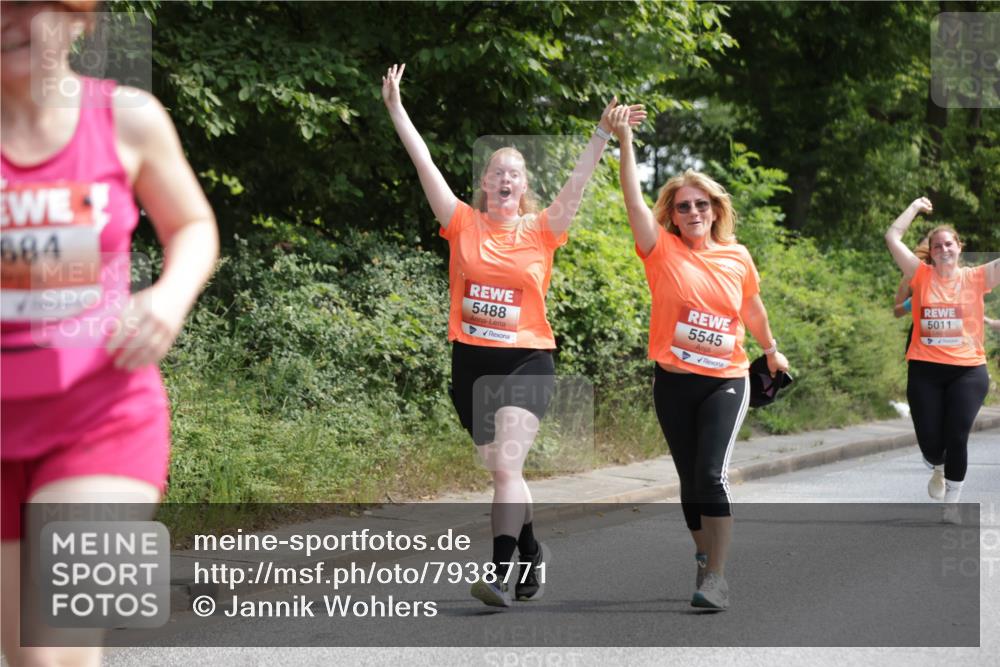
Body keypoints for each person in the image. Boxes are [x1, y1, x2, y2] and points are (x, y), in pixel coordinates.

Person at [1, 2, 218, 664]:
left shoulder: (128, 119)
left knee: (54, 650)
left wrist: (169, 298)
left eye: (33, 3)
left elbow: (192, 226)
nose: (11, 19)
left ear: (80, 20)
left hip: (104, 419)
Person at [382, 64, 643, 607]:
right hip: (470, 363)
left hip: (527, 361)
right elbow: (424, 162)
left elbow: (578, 181)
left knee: (505, 466)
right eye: (497, 172)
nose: (506, 179)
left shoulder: (543, 229)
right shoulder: (460, 222)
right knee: (504, 472)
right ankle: (532, 550)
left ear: (524, 188)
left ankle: (499, 574)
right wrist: (396, 109)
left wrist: (602, 132)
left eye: (515, 174)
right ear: (485, 183)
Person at [609, 107, 789, 611]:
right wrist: (624, 140)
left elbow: (752, 307)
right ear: (672, 214)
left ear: (714, 210)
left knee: (711, 475)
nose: (693, 212)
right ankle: (704, 555)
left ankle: (718, 578)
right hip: (673, 382)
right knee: (689, 480)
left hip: (725, 380)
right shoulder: (659, 249)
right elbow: (632, 198)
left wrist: (771, 350)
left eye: (701, 204)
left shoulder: (737, 256)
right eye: (683, 206)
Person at [884, 197, 999, 523]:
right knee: (931, 445)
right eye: (938, 246)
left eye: (949, 244)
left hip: (968, 371)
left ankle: (952, 504)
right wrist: (914, 207)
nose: (944, 249)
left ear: (959, 248)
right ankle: (937, 464)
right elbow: (892, 237)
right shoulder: (919, 275)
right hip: (925, 371)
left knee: (957, 435)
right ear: (931, 252)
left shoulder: (977, 277)